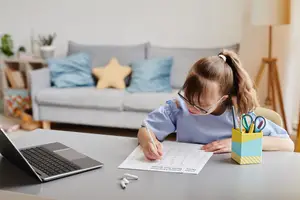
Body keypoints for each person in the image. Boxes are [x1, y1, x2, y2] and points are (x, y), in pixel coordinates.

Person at [138, 49, 294, 161]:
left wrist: (237, 143)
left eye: (202, 105)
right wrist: (148, 143)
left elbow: (287, 144)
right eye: (188, 97)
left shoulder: (239, 115)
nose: (191, 107)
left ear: (222, 98)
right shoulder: (179, 107)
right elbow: (146, 129)